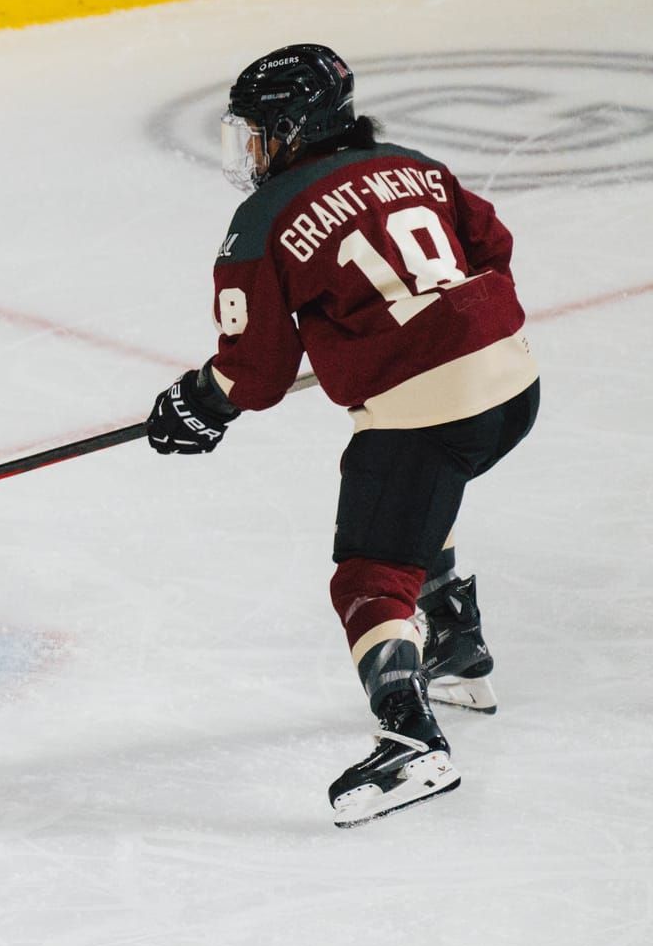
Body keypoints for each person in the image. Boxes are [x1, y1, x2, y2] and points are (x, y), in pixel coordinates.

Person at [144, 44, 538, 828]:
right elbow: (491, 247)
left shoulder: (264, 216)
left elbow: (254, 371)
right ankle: (457, 645)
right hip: (517, 384)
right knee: (422, 480)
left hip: (434, 404)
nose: (250, 149)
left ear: (291, 130)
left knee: (368, 573)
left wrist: (198, 403)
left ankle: (410, 736)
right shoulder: (413, 163)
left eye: (256, 132)